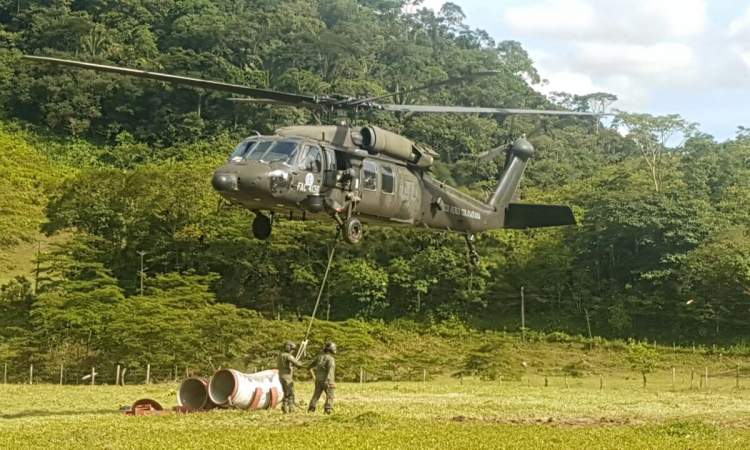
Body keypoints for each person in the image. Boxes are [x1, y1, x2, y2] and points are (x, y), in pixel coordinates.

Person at [307, 342, 336, 415]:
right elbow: (330, 372)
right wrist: (330, 383)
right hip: (326, 380)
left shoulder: (319, 357)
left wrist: (308, 367)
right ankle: (327, 409)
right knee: (330, 395)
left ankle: (311, 408)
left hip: (318, 379)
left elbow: (311, 365)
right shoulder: (331, 359)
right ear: (332, 350)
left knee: (316, 394)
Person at [277, 341, 304, 413]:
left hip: (280, 376)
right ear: (289, 348)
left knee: (286, 393)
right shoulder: (287, 356)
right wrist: (301, 364)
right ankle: (290, 410)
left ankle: (285, 408)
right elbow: (296, 363)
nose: (293, 351)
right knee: (290, 394)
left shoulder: (280, 355)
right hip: (287, 377)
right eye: (292, 350)